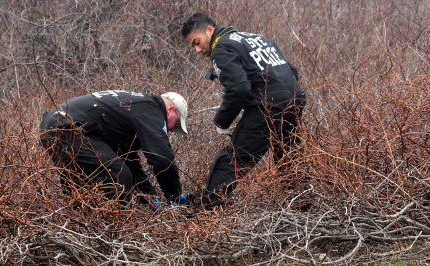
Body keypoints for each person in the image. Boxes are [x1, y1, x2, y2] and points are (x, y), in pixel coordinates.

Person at [182, 13, 306, 210]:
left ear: (209, 30)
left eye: (197, 42)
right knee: (288, 155)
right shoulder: (257, 38)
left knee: (233, 159)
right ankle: (303, 205)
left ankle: (206, 211)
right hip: (295, 98)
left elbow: (239, 88)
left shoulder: (221, 47)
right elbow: (291, 70)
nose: (197, 50)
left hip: (270, 105)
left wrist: (222, 122)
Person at [39, 90, 188, 208]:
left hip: (54, 126)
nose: (171, 130)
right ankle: (119, 234)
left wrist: (149, 198)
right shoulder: (151, 110)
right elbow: (162, 158)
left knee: (78, 188)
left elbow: (128, 159)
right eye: (175, 125)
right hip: (67, 127)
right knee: (119, 176)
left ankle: (78, 231)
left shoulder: (138, 105)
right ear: (171, 109)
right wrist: (174, 195)